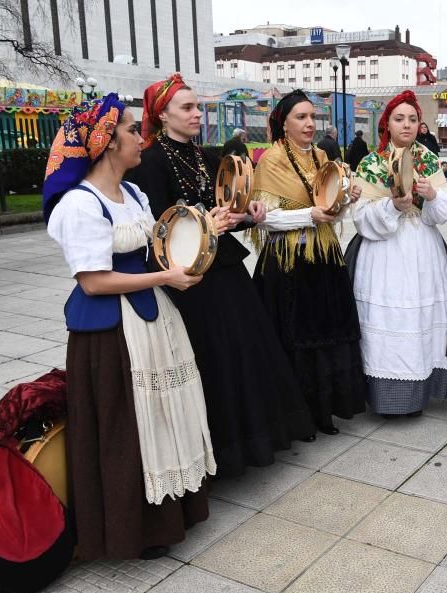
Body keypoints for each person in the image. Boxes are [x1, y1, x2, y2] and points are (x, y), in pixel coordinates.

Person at [43, 93, 215, 560]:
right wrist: (166, 278)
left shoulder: (134, 193)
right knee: (126, 423)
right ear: (107, 142)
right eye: (133, 131)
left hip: (152, 316)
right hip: (111, 333)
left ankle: (171, 512)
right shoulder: (80, 205)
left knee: (161, 411)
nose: (142, 138)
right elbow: (95, 282)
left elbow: (158, 246)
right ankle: (131, 528)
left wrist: (199, 239)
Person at [127, 74, 315, 478]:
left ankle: (256, 439)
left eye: (197, 107)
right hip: (191, 280)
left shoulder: (207, 157)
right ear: (162, 115)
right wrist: (207, 224)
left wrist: (252, 213)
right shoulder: (150, 164)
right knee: (213, 359)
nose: (197, 114)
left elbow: (234, 206)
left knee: (245, 351)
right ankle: (223, 451)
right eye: (188, 108)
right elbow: (159, 231)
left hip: (226, 270)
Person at [250, 90, 366, 435]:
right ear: (283, 123)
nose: (310, 123)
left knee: (327, 335)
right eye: (301, 117)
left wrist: (346, 199)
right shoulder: (270, 161)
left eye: (312, 116)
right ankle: (297, 417)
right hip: (288, 262)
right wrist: (308, 215)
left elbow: (330, 211)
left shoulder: (321, 156)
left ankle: (325, 411)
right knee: (295, 339)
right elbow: (265, 219)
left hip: (324, 257)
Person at [346, 91, 447, 417]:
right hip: (383, 253)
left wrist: (432, 195)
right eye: (399, 118)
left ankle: (419, 391)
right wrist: (391, 206)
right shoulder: (371, 163)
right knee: (388, 315)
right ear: (387, 124)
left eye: (412, 119)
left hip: (422, 246)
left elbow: (445, 210)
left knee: (418, 315)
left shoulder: (429, 160)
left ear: (420, 124)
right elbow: (361, 217)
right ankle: (384, 393)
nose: (406, 125)